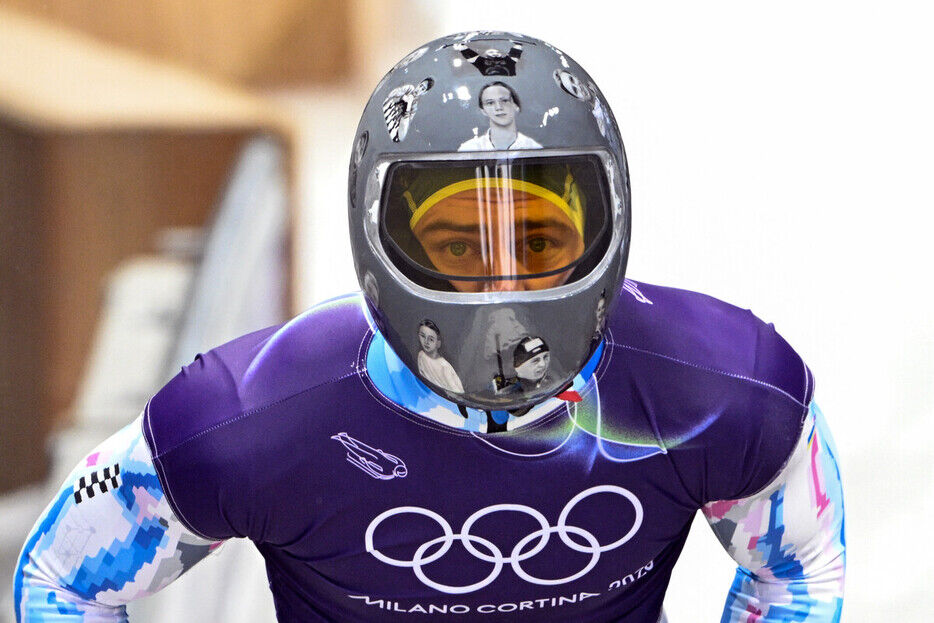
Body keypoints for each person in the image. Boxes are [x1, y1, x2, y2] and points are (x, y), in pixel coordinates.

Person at [15, 32, 845, 622]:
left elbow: (66, 575)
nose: (502, 289)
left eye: (536, 243)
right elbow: (63, 579)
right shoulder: (728, 390)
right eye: (457, 246)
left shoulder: (248, 416)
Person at [458, 81, 543, 151]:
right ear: (483, 111)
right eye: (490, 103)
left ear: (516, 106)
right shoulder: (469, 149)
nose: (498, 107)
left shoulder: (533, 148)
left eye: (504, 101)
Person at [416, 319, 464, 394]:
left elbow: (458, 392)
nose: (426, 342)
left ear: (438, 343)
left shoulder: (444, 367)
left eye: (431, 339)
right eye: (423, 336)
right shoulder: (421, 355)